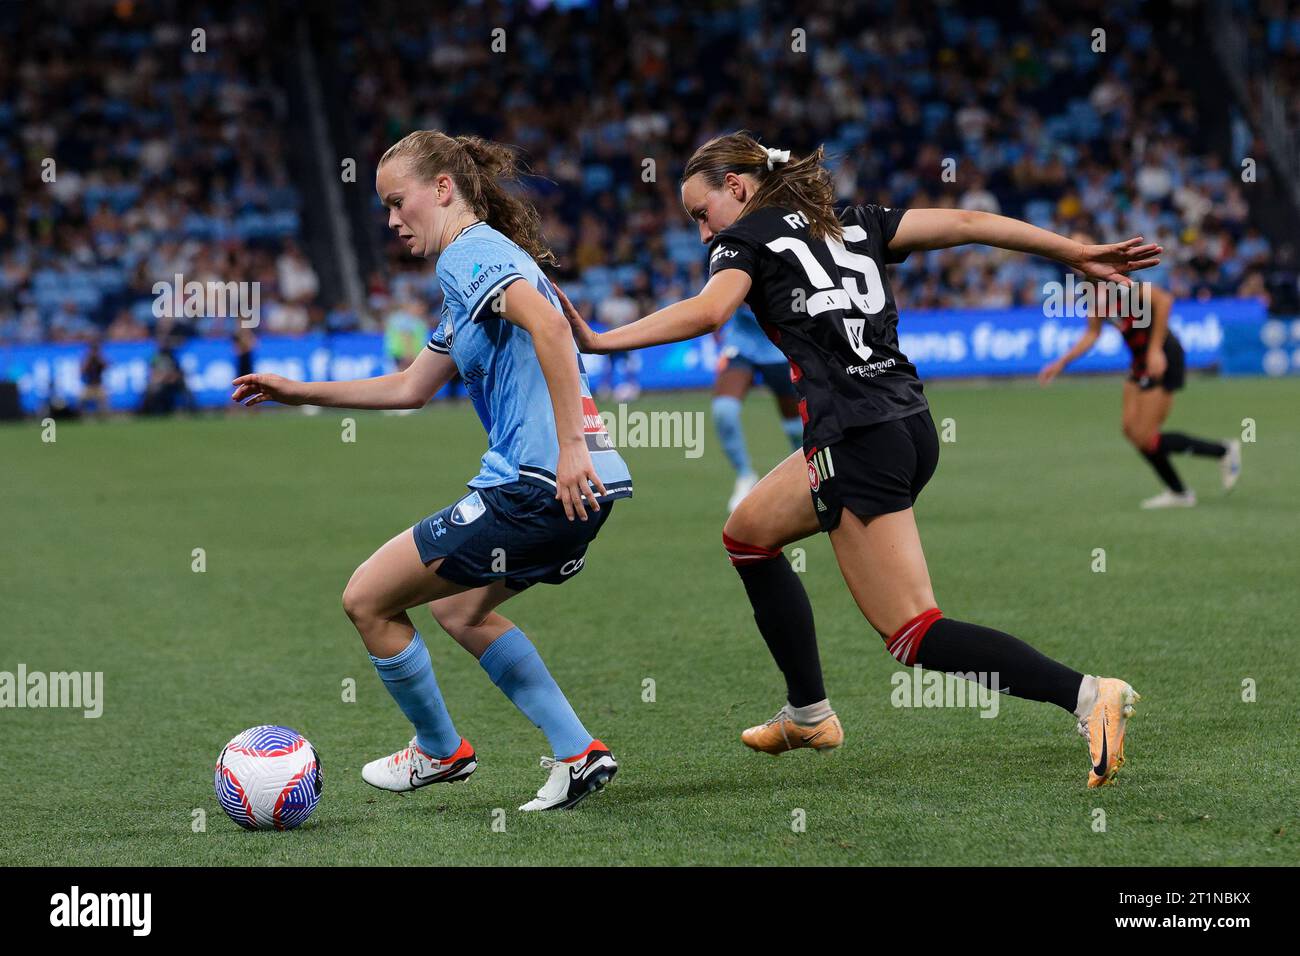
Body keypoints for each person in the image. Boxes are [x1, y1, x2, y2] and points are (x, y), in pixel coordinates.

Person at [557, 132, 1160, 788]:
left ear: (737, 187)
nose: (703, 235)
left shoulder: (743, 241)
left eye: (701, 215)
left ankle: (1088, 694)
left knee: (913, 633)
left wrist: (599, 339)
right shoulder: (849, 222)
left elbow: (709, 312)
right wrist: (1074, 251)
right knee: (749, 534)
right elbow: (966, 222)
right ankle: (809, 712)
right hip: (904, 422)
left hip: (857, 439)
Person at [231, 131, 633, 810]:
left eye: (397, 202)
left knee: (366, 598)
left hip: (540, 483)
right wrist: (300, 391)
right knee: (458, 609)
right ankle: (578, 752)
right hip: (590, 489)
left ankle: (439, 753)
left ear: (442, 188)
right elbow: (411, 387)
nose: (391, 221)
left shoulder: (469, 254)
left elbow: (553, 329)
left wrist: (568, 447)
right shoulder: (476, 279)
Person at [1039, 244, 1241, 508]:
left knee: (1146, 435)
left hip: (1162, 354)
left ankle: (1221, 453)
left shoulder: (1120, 283)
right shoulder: (1090, 293)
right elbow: (1092, 333)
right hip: (1139, 360)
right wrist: (1061, 362)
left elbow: (1163, 301)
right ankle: (1180, 491)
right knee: (1131, 431)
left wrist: (1156, 350)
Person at [713, 305, 802, 512]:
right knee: (724, 412)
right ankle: (745, 476)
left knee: (797, 428)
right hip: (741, 343)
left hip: (782, 347)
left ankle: (803, 476)